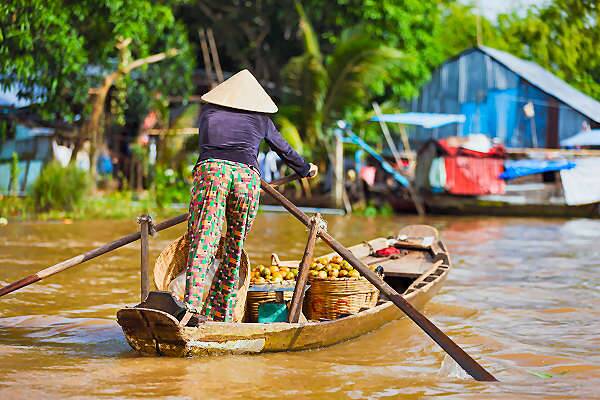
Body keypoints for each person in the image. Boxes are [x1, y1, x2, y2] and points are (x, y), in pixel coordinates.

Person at [184, 69, 317, 322]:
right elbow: (284, 150)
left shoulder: (208, 113)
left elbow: (207, 147)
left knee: (203, 241)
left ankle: (190, 309)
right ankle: (220, 314)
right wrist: (304, 169)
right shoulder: (260, 119)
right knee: (234, 247)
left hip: (212, 172)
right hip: (246, 179)